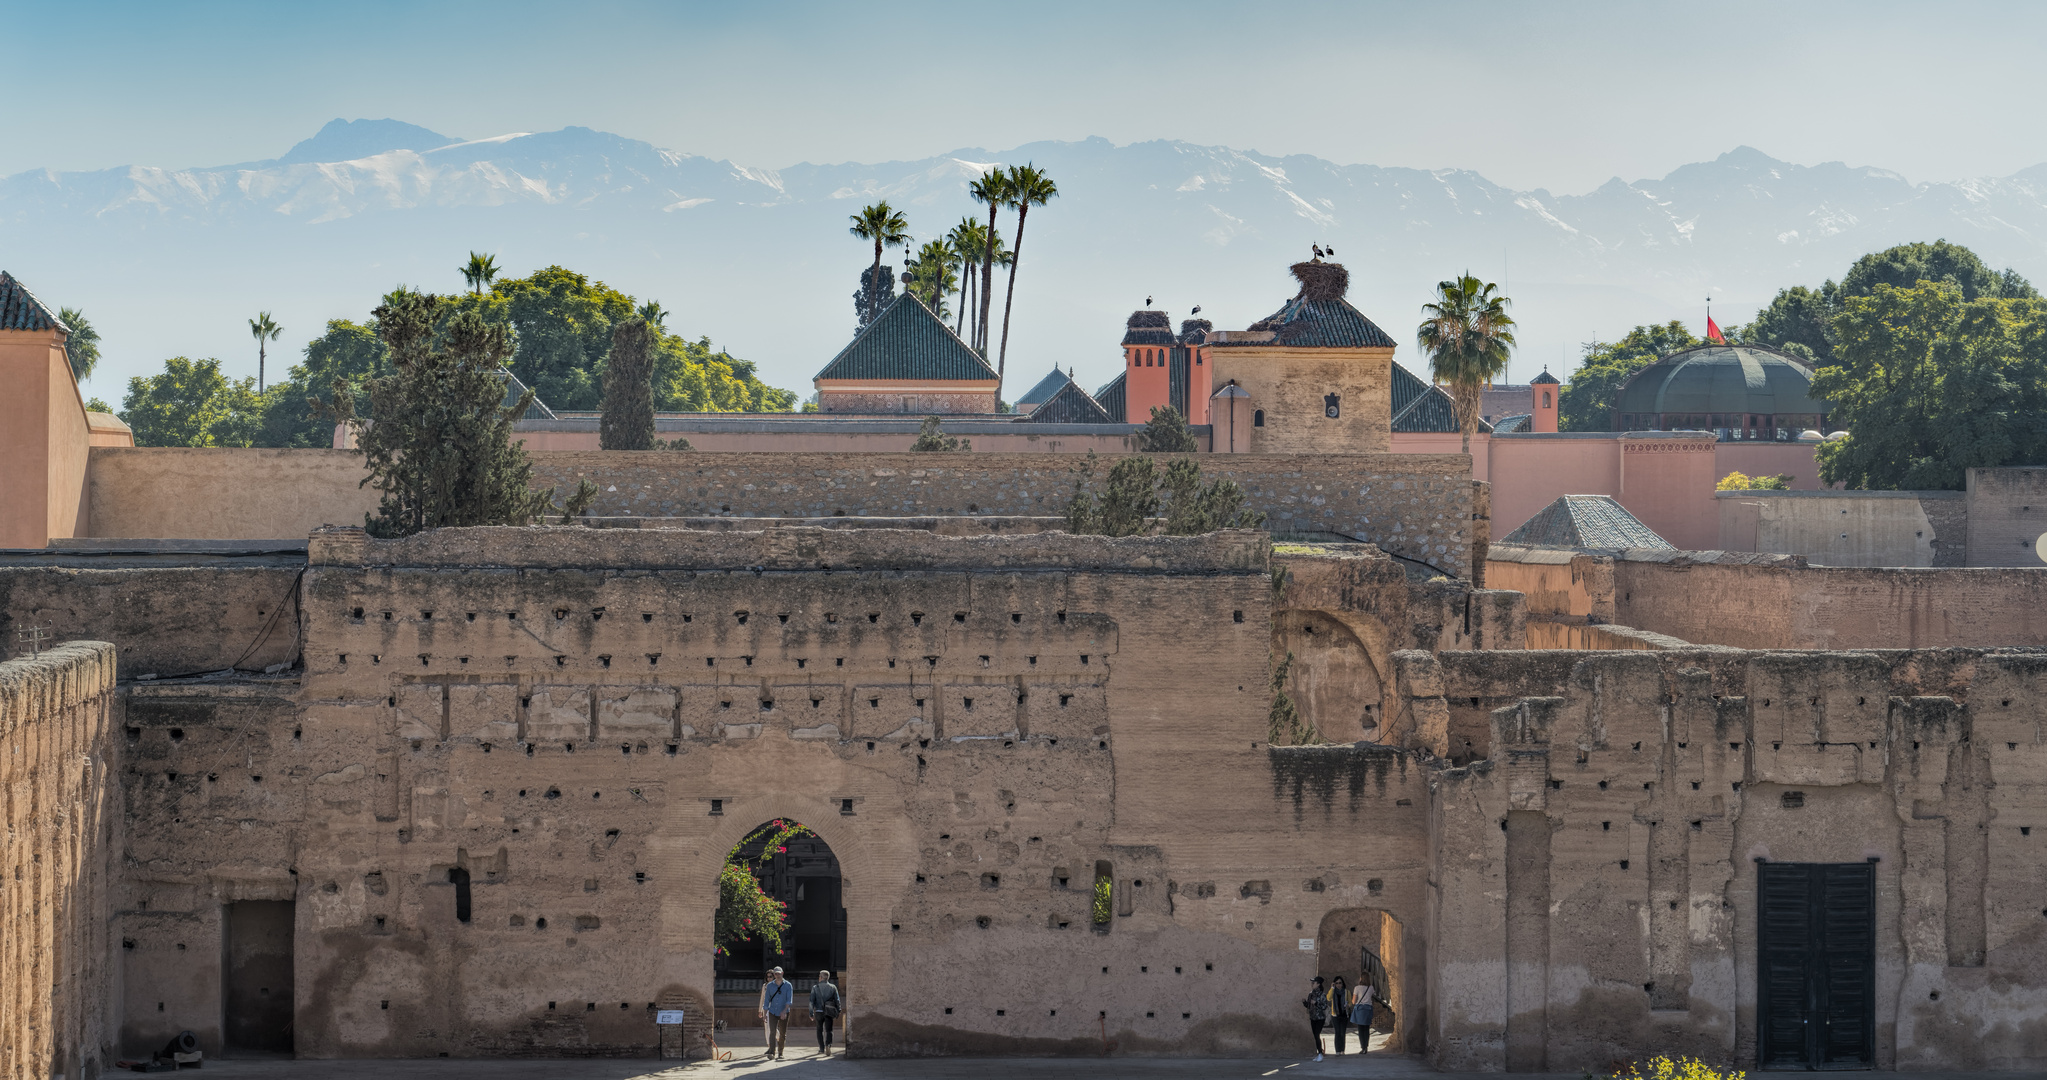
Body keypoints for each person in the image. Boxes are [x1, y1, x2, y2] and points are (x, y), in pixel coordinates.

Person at [757, 966, 793, 1059]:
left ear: (782, 973)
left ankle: (780, 1052)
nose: (777, 975)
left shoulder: (788, 985)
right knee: (772, 1032)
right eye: (775, 974)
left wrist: (784, 1011)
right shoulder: (769, 986)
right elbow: (766, 1001)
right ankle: (772, 1052)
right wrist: (764, 1014)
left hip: (783, 1012)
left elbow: (789, 1000)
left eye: (779, 973)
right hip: (772, 1011)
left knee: (782, 1033)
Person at [809, 969, 842, 1057]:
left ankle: (821, 1048)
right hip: (829, 1011)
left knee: (819, 1030)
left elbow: (811, 1001)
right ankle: (828, 1045)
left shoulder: (815, 988)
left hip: (819, 1012)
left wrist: (811, 1013)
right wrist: (838, 1010)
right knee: (829, 1030)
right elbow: (837, 1000)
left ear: (821, 977)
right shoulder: (833, 987)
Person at [1348, 967, 1378, 1055]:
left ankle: (1363, 1047)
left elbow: (1354, 1001)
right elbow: (1374, 995)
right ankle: (1366, 1046)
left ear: (1361, 978)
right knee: (1366, 1029)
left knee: (1361, 1029)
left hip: (1360, 1009)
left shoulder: (1357, 988)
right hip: (1368, 1009)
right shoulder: (1371, 987)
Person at [1301, 975, 1329, 1061]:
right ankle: (1319, 1053)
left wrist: (1316, 1003)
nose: (1312, 984)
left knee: (1317, 1034)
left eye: (1314, 982)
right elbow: (1309, 1006)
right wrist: (1305, 1003)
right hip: (1313, 1017)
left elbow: (1324, 1006)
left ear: (1318, 984)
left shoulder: (1322, 995)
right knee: (1315, 1035)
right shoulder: (1311, 994)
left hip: (1320, 1018)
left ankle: (1320, 1053)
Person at [1329, 974, 1352, 1055]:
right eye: (1337, 983)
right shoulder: (1333, 992)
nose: (1338, 984)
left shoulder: (1347, 992)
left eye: (1340, 983)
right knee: (1337, 1032)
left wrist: (1348, 1005)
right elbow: (1328, 998)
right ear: (1334, 984)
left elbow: (1350, 1002)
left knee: (1343, 1033)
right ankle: (1337, 1050)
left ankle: (1342, 1050)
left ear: (1343, 983)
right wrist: (1332, 988)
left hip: (1344, 1015)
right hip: (1335, 1015)